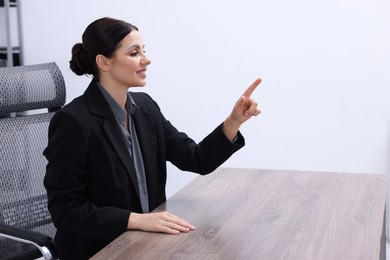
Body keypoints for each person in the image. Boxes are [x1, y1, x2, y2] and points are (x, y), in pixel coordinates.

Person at [43, 17, 261, 260]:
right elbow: (66, 211)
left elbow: (197, 159)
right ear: (104, 62)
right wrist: (138, 220)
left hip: (146, 245)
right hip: (100, 250)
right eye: (134, 53)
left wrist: (234, 121)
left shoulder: (146, 109)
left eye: (143, 51)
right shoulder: (74, 121)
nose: (146, 60)